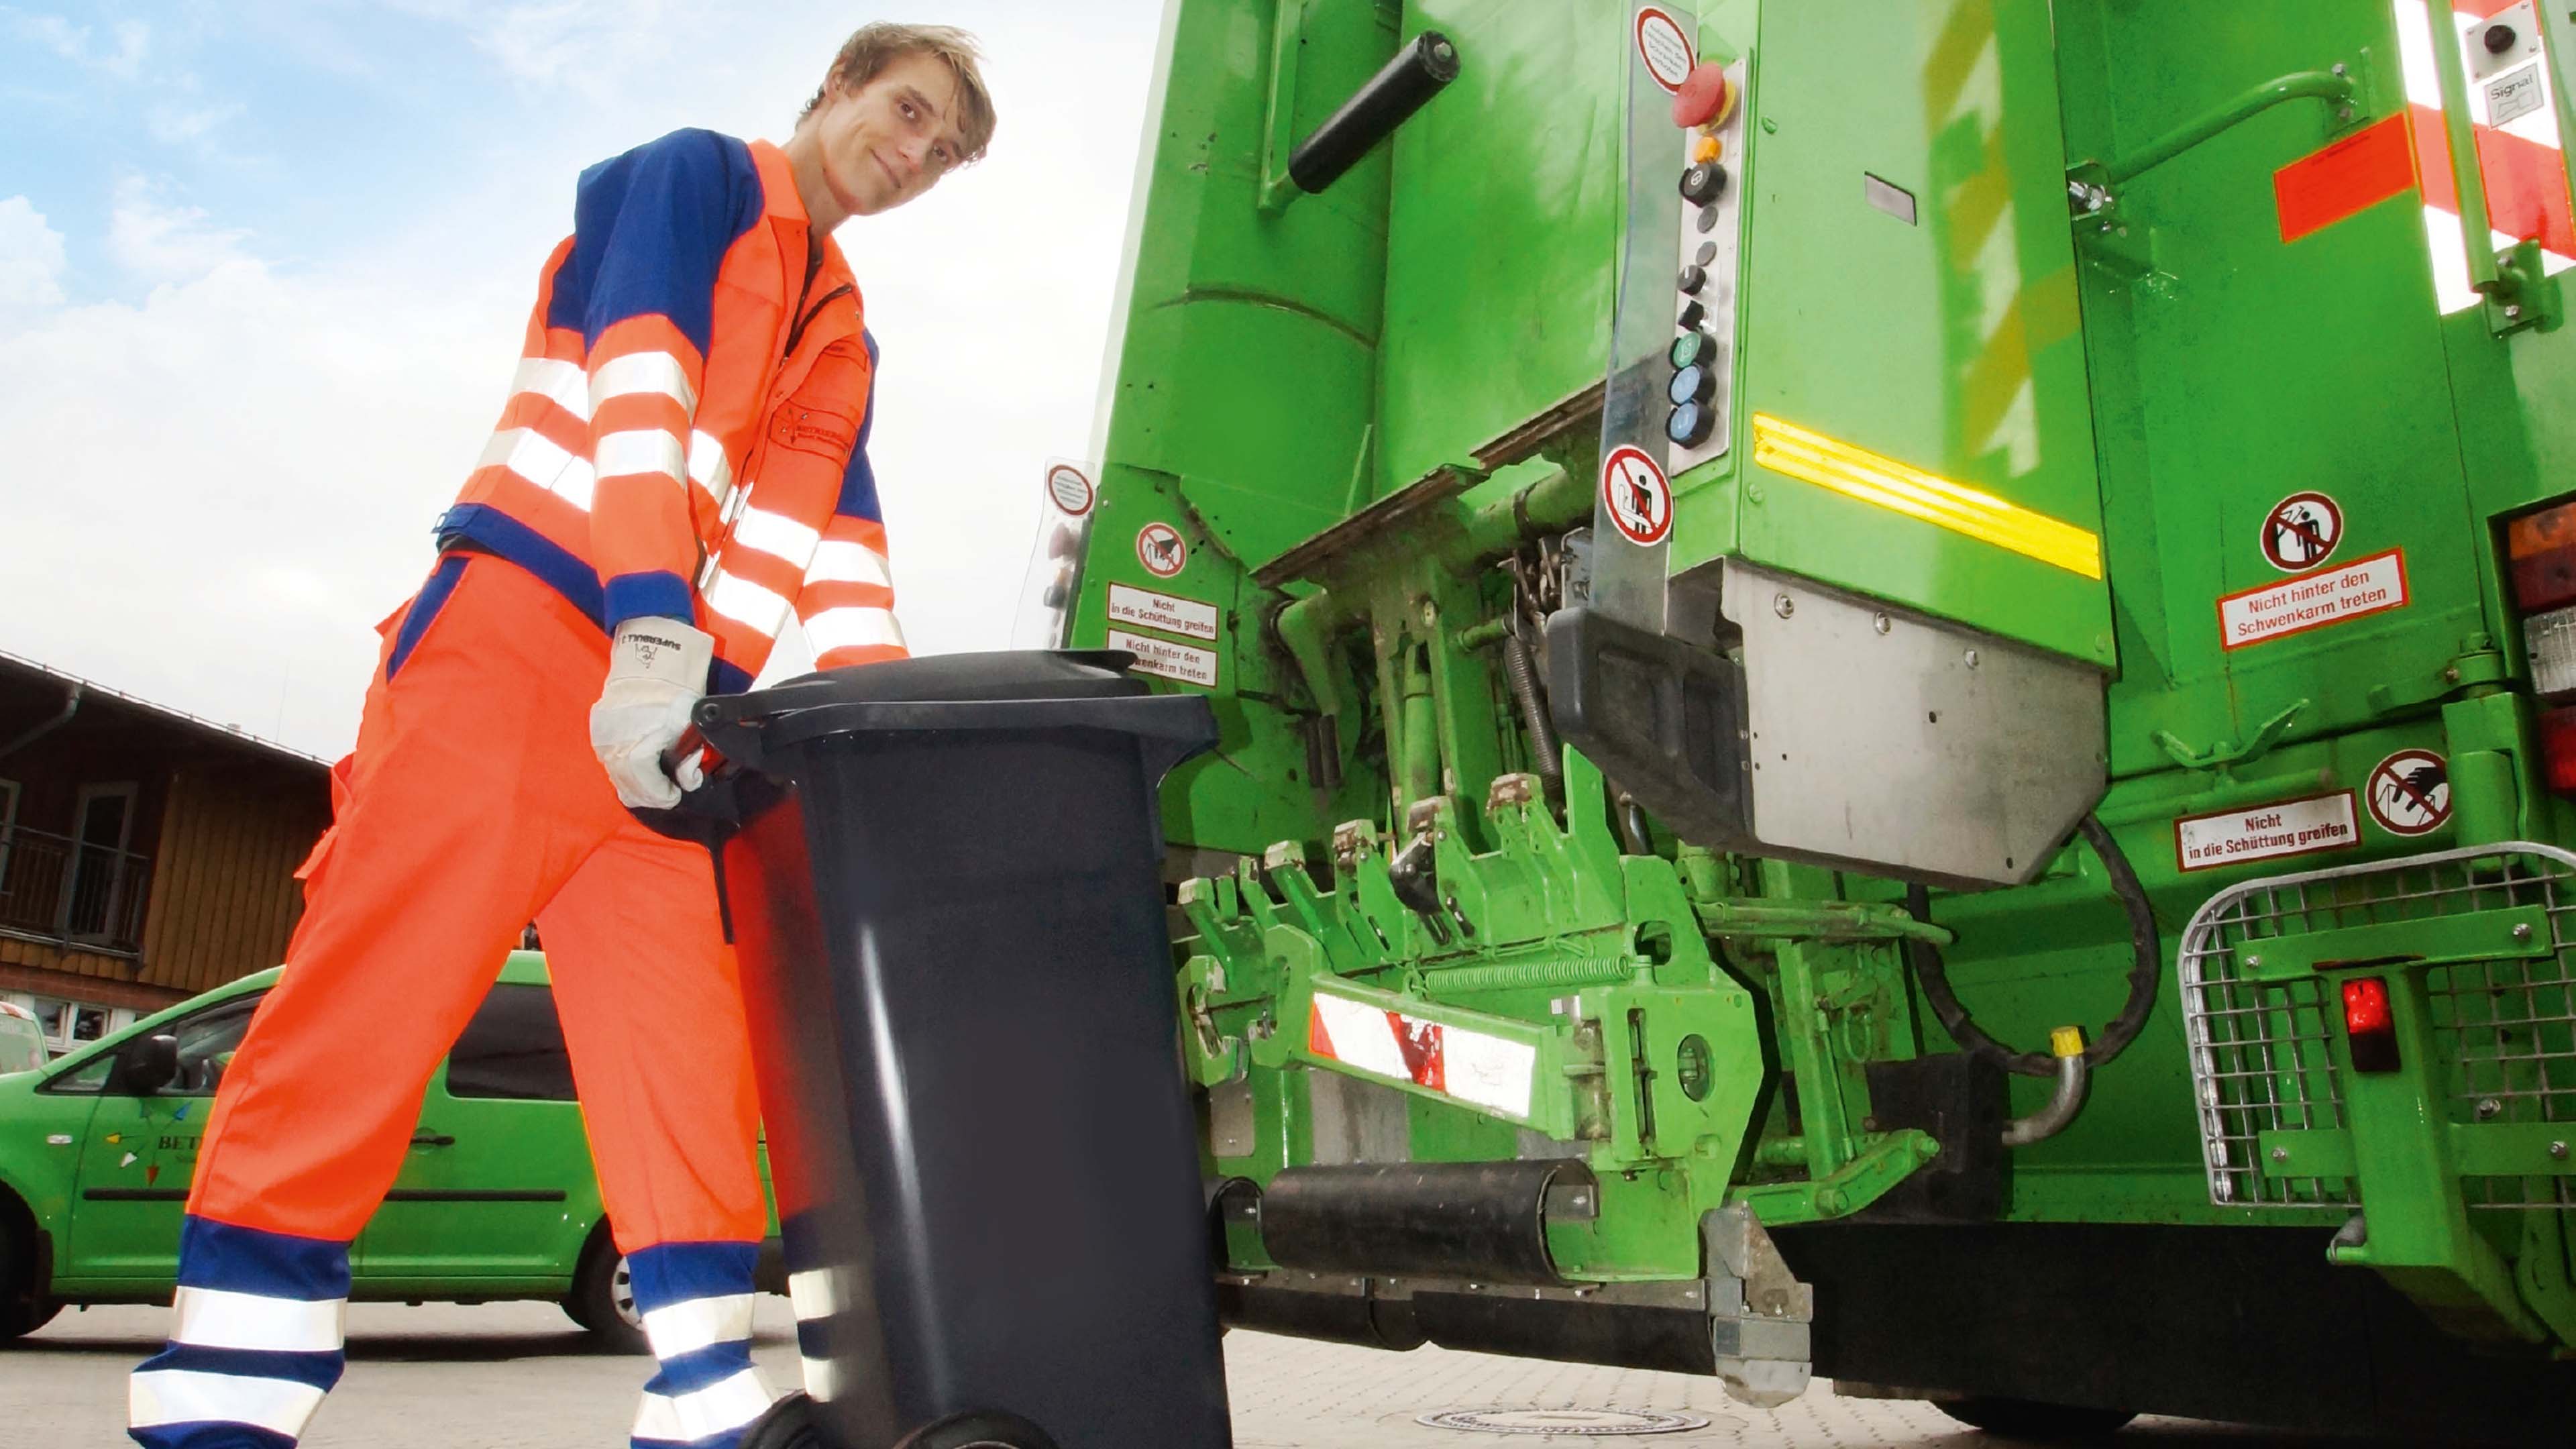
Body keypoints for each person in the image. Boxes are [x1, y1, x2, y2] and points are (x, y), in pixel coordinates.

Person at [126, 23, 996, 1449]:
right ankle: (229, 1389)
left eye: (942, 154)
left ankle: (710, 1393)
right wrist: (657, 621)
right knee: (381, 984)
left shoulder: (842, 331)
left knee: (680, 1040)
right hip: (519, 644)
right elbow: (633, 390)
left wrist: (864, 751)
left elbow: (834, 556)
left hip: (667, 729)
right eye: (904, 113)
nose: (911, 157)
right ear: (836, 86)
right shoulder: (696, 182)